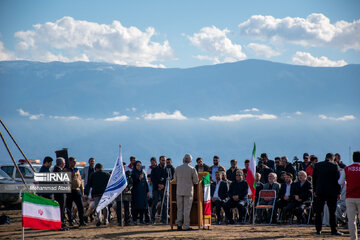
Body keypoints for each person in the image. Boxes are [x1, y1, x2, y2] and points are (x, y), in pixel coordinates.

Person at [313, 153, 342, 236]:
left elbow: (314, 179)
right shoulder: (334, 166)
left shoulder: (317, 166)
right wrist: (338, 192)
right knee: (332, 212)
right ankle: (333, 230)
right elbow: (338, 181)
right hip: (331, 192)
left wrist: (314, 190)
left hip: (320, 191)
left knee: (319, 211)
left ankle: (318, 230)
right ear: (332, 158)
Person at [338, 151, 360, 240]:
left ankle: (353, 238)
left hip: (350, 196)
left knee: (351, 220)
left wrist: (347, 182)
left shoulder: (347, 169)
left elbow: (340, 182)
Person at [174, 154, 199, 231]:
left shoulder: (177, 168)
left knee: (180, 209)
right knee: (186, 210)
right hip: (188, 191)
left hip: (179, 191)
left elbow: (175, 179)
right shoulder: (192, 169)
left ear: (183, 159)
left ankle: (178, 225)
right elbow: (196, 181)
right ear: (190, 161)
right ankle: (185, 226)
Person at [65, 157, 86, 226]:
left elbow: (80, 181)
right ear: (70, 162)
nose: (74, 163)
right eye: (73, 162)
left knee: (80, 206)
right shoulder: (66, 170)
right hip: (70, 190)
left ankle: (82, 221)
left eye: (75, 162)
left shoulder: (77, 170)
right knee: (69, 207)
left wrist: (82, 192)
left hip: (77, 190)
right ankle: (70, 221)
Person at [150, 156, 167, 224]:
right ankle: (153, 219)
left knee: (164, 204)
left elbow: (168, 178)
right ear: (159, 160)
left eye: (164, 160)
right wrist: (158, 185)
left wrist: (163, 185)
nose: (164, 162)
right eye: (162, 160)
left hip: (164, 189)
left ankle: (164, 220)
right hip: (156, 189)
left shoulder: (167, 169)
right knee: (155, 203)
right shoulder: (154, 169)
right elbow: (152, 178)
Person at [131, 161, 149, 225]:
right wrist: (139, 179)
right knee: (136, 207)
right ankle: (134, 220)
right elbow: (133, 183)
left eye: (140, 165)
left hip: (143, 192)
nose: (139, 167)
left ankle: (141, 220)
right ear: (135, 166)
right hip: (136, 192)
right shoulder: (133, 173)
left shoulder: (143, 173)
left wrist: (147, 191)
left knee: (142, 207)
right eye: (137, 165)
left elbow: (146, 183)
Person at [53, 157, 68, 230]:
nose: (65, 164)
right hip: (60, 193)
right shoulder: (58, 171)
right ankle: (60, 225)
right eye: (64, 163)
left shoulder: (58, 170)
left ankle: (61, 224)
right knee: (60, 209)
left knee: (62, 209)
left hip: (60, 192)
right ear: (61, 164)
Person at [116, 162, 133, 226]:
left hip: (127, 194)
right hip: (119, 193)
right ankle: (119, 221)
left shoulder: (128, 174)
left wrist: (128, 188)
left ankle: (127, 221)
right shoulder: (116, 175)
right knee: (119, 209)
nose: (123, 167)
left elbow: (131, 183)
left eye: (124, 166)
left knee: (127, 208)